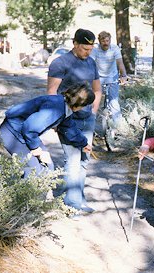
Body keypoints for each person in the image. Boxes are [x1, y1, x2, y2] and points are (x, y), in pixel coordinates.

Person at [47, 28, 102, 212]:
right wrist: (55, 120)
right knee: (72, 160)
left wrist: (93, 112)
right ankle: (71, 206)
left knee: (84, 160)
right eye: (85, 48)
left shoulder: (91, 63)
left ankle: (78, 199)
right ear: (75, 44)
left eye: (91, 49)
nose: (88, 52)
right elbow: (51, 93)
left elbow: (97, 90)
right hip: (68, 120)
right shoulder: (60, 63)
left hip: (88, 119)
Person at [0, 83, 95, 177]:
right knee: (35, 171)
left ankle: (40, 191)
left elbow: (69, 128)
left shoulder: (65, 106)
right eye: (84, 106)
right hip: (12, 132)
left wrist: (84, 143)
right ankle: (24, 192)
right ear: (78, 104)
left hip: (24, 134)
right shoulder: (55, 109)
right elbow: (30, 128)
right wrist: (35, 148)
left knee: (48, 167)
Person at [90, 31, 128, 130]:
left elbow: (120, 63)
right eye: (103, 41)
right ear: (99, 41)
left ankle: (118, 128)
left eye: (108, 40)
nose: (106, 43)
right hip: (98, 78)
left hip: (112, 78)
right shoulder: (95, 50)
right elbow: (90, 64)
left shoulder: (115, 48)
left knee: (114, 102)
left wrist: (123, 75)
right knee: (93, 101)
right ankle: (89, 125)